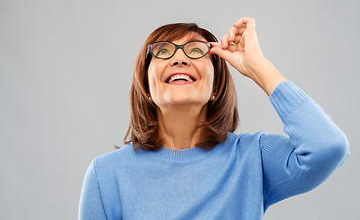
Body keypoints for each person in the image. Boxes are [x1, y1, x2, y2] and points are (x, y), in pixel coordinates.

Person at [78, 17, 350, 219]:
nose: (179, 59)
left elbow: (328, 148)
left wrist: (258, 67)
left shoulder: (252, 158)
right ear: (147, 88)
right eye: (163, 51)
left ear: (216, 87)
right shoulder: (106, 176)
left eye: (196, 50)